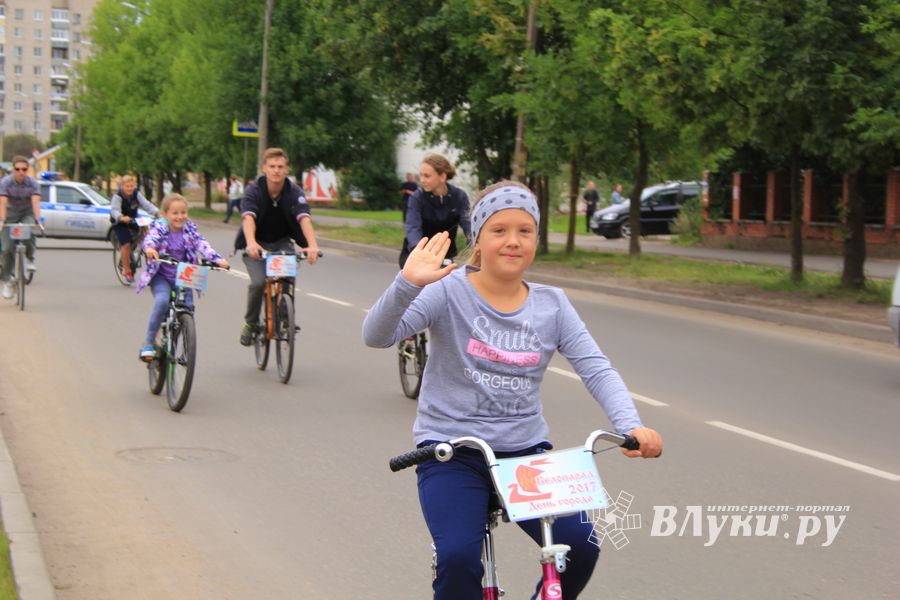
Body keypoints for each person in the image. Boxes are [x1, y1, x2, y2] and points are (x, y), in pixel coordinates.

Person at [363, 181, 662, 600]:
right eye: (499, 230)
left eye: (525, 231)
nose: (513, 241)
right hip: (451, 453)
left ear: (537, 239)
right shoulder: (447, 292)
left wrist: (631, 425)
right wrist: (407, 283)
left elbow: (596, 368)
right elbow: (377, 335)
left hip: (525, 457)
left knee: (581, 545)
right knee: (458, 560)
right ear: (479, 239)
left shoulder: (552, 305)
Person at [235, 147, 320, 346]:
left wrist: (313, 246)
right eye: (272, 166)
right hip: (257, 244)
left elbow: (304, 218)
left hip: (281, 242)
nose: (276, 170)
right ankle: (250, 323)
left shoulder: (294, 191)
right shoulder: (254, 190)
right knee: (257, 283)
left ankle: (284, 319)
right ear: (264, 168)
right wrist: (251, 243)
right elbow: (248, 218)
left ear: (286, 169)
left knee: (287, 278)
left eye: (280, 167)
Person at [136, 194, 229, 361]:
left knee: (188, 309)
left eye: (183, 212)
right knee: (162, 301)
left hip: (184, 276)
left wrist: (217, 259)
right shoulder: (159, 227)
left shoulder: (190, 230)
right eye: (175, 213)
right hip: (162, 276)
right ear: (165, 214)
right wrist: (150, 249)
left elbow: (202, 244)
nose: (180, 217)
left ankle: (187, 350)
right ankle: (148, 342)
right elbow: (150, 239)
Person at [400, 154, 471, 268]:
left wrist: (475, 242)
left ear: (442, 176)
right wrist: (419, 252)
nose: (422, 180)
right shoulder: (417, 198)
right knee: (422, 284)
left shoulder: (459, 197)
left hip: (445, 256)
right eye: (421, 176)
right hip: (417, 255)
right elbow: (413, 228)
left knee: (450, 284)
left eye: (427, 176)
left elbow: (468, 224)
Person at [0, 156, 42, 300]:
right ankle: (8, 281)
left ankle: (30, 259)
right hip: (9, 214)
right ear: (13, 169)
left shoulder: (33, 183)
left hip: (26, 213)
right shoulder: (5, 182)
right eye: (18, 169)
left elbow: (35, 202)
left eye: (24, 169)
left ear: (27, 170)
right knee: (7, 249)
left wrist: (38, 220)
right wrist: (2, 221)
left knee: (29, 228)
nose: (21, 172)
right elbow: (3, 203)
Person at [110, 175, 160, 284]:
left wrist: (158, 213)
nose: (129, 188)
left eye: (132, 186)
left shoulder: (137, 194)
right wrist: (121, 217)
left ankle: (151, 271)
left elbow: (147, 205)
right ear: (122, 186)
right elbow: (115, 210)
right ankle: (127, 271)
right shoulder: (117, 196)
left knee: (148, 239)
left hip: (133, 220)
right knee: (126, 244)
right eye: (127, 186)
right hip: (120, 222)